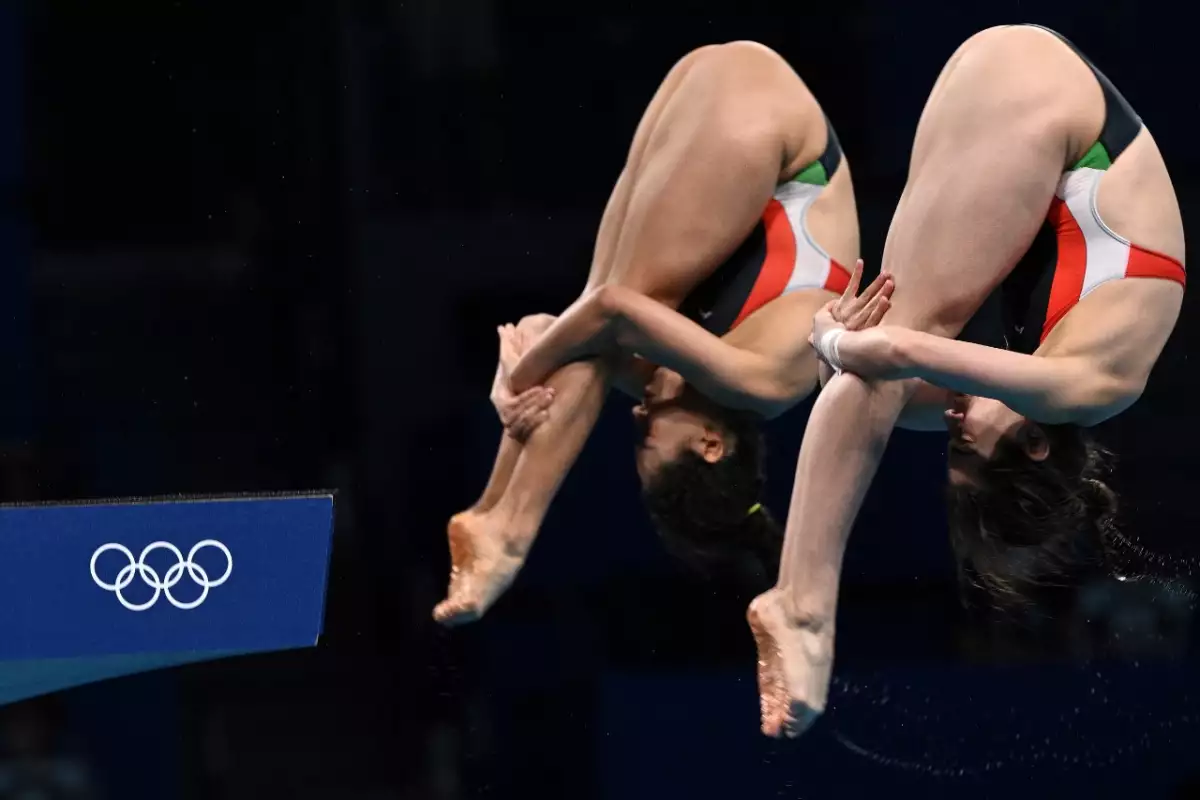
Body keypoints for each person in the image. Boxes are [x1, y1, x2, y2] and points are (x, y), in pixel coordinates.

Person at [749, 24, 1185, 738]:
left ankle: (800, 600)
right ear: (1034, 446)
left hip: (1015, 87)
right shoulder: (1090, 387)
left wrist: (836, 350)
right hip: (1049, 103)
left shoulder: (1035, 395)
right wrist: (835, 342)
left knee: (885, 377)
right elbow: (892, 350)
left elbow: (872, 378)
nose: (952, 425)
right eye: (964, 446)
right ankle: (804, 603)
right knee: (901, 346)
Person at [433, 40, 876, 626]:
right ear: (712, 445)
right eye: (649, 436)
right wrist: (526, 373)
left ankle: (492, 505)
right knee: (618, 307)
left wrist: (514, 379)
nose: (639, 413)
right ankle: (511, 528)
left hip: (701, 86)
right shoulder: (764, 382)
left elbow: (560, 332)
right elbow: (611, 311)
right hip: (780, 134)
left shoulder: (676, 375)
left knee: (599, 326)